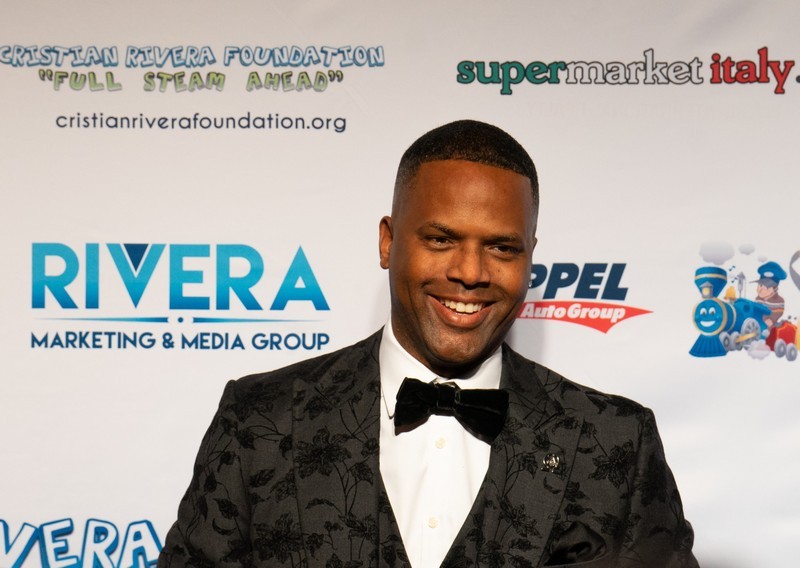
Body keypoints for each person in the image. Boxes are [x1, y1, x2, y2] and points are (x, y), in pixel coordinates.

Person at [159, 120, 698, 567]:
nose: (470, 272)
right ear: (388, 241)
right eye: (441, 239)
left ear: (531, 256)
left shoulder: (615, 441)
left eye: (502, 248)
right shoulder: (261, 420)